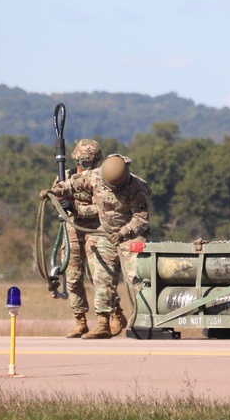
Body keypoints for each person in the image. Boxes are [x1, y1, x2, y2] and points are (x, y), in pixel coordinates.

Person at [42, 153, 151, 339]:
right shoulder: (95, 176)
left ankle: (146, 321)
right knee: (101, 277)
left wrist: (123, 233)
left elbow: (141, 219)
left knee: (138, 278)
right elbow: (73, 184)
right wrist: (56, 191)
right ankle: (102, 323)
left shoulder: (136, 188)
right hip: (106, 235)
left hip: (131, 237)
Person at [55, 139, 103, 338]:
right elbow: (55, 199)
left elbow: (103, 207)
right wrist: (58, 200)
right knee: (73, 277)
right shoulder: (65, 176)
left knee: (98, 275)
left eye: (91, 164)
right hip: (72, 231)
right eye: (84, 163)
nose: (87, 168)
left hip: (95, 230)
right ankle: (80, 320)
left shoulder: (101, 179)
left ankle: (107, 317)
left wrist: (77, 208)